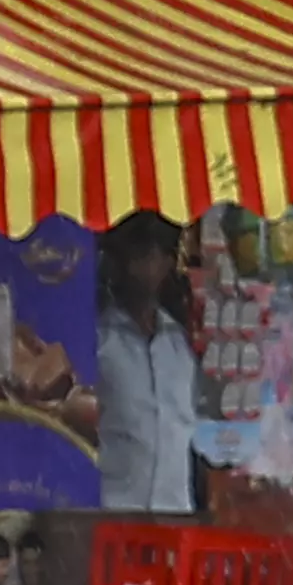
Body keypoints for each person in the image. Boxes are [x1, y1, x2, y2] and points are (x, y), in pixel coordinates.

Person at [95, 212, 197, 514]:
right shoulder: (100, 340)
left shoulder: (179, 344)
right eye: (137, 257)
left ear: (167, 263)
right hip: (114, 511)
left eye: (152, 257)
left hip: (174, 513)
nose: (142, 269)